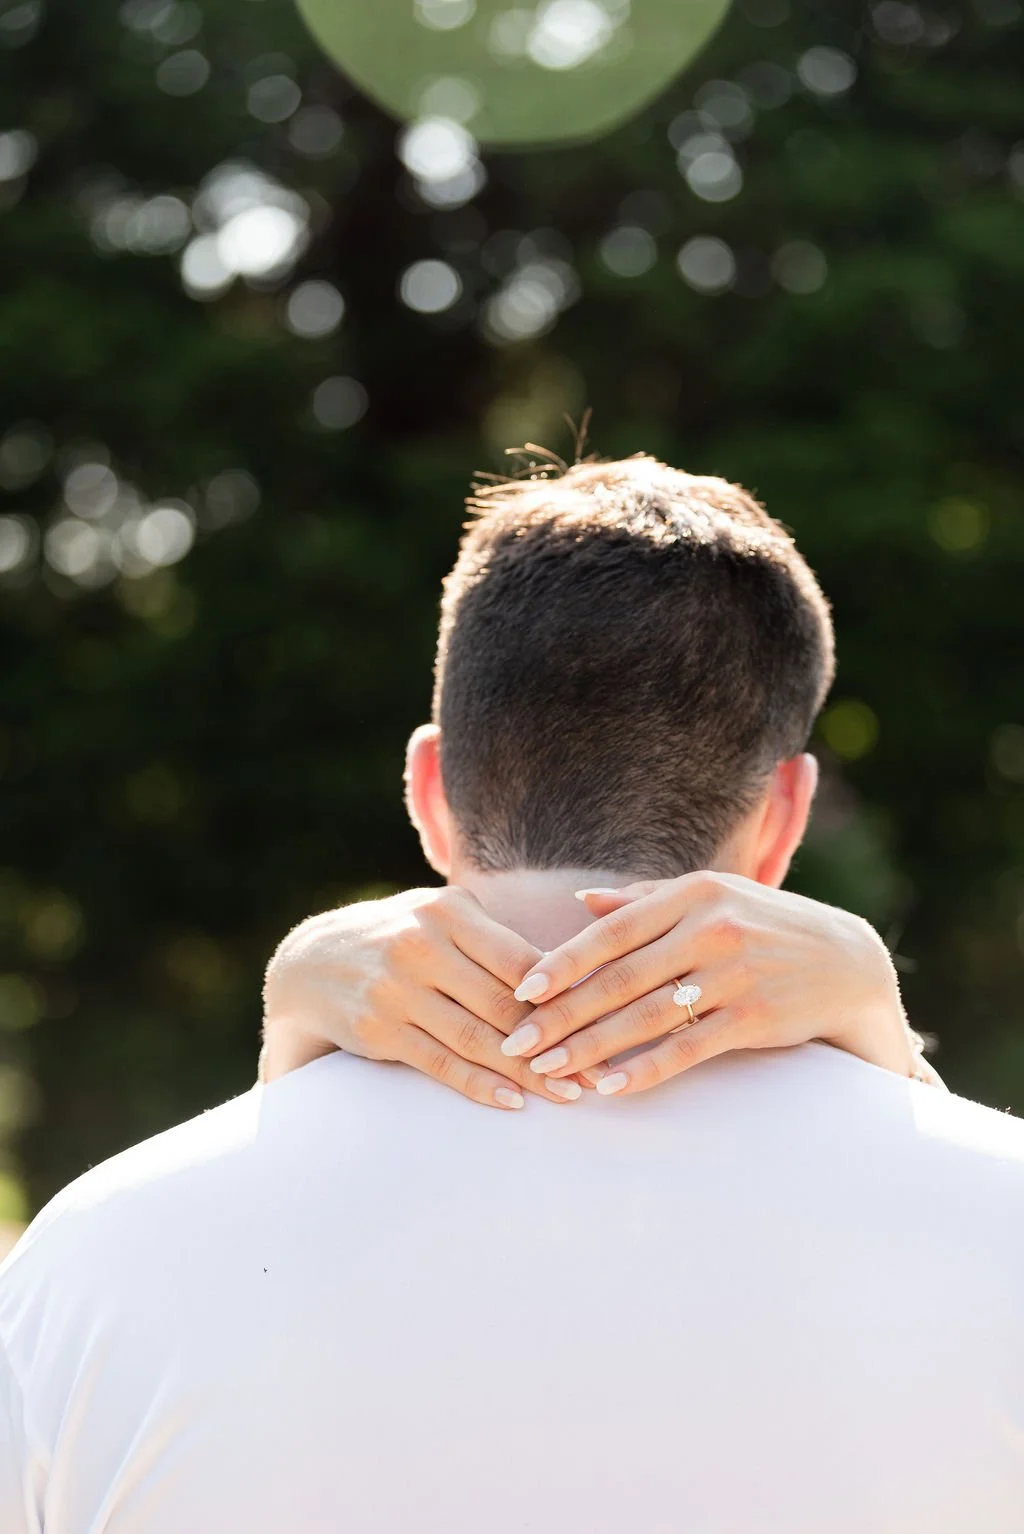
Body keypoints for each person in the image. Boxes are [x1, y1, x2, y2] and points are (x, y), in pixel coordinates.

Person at [2, 455, 1022, 1534]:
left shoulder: (94, 1257)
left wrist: (277, 1079)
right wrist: (900, 1067)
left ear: (430, 789)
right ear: (785, 816)